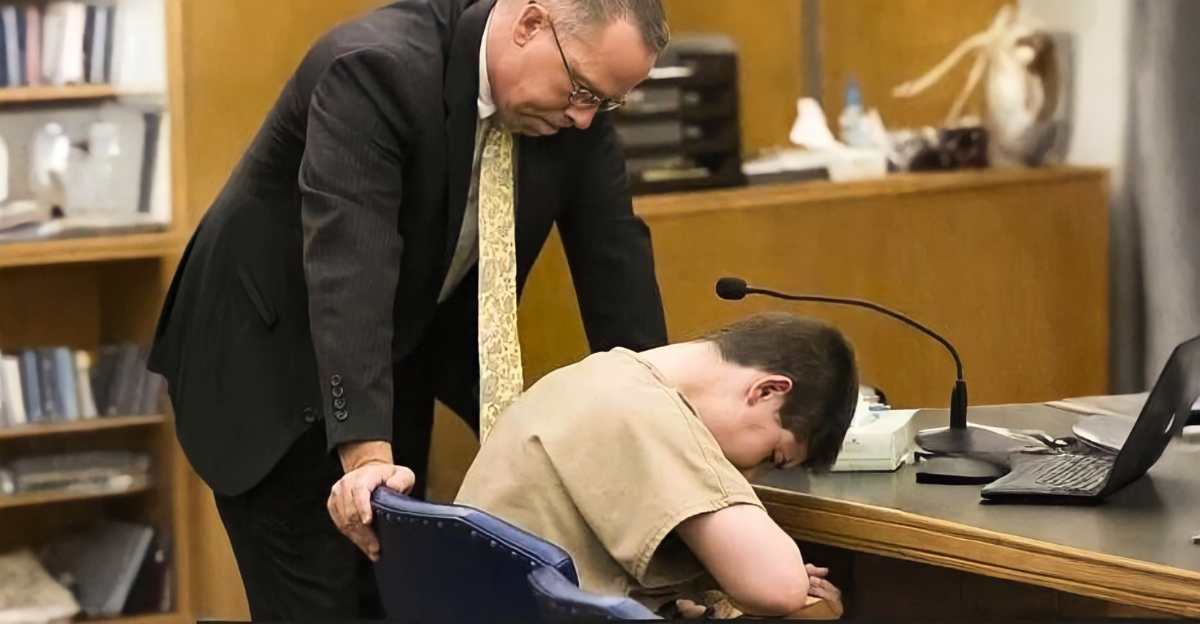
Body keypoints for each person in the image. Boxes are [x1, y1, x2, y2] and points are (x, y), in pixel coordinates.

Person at [146, 0, 671, 619]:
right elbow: (351, 263)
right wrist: (367, 459)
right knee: (320, 604)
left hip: (394, 354)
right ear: (529, 25)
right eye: (581, 91)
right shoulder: (375, 69)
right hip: (267, 358)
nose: (584, 116)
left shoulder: (574, 112)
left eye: (604, 102)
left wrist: (668, 442)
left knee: (390, 595)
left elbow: (617, 267)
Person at [455, 313, 859, 617]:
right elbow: (777, 587)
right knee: (817, 613)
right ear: (767, 391)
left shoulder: (588, 379)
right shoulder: (646, 409)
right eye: (774, 455)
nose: (751, 476)